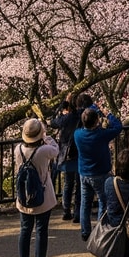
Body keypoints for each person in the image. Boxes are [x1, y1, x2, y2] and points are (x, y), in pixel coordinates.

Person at [13, 118, 60, 257]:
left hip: (24, 196)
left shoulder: (18, 149)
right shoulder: (44, 150)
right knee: (41, 230)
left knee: (25, 230)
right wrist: (46, 135)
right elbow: (56, 149)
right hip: (42, 196)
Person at [75, 106, 123, 241]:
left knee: (85, 202)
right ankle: (100, 230)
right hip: (100, 173)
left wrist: (92, 108)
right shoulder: (101, 135)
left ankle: (85, 231)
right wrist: (108, 114)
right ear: (96, 121)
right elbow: (118, 127)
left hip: (84, 173)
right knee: (103, 201)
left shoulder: (77, 134)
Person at [51, 93, 89, 222]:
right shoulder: (84, 115)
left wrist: (62, 105)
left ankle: (66, 210)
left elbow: (53, 122)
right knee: (80, 185)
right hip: (80, 153)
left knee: (68, 183)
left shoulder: (66, 118)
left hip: (67, 155)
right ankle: (78, 213)